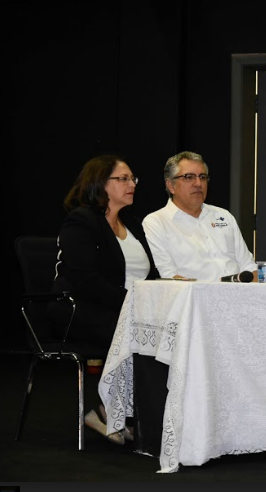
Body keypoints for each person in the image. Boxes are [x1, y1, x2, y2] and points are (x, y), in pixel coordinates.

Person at [51, 154, 160, 445]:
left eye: (132, 179)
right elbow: (84, 280)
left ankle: (128, 413)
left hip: (125, 309)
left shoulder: (133, 225)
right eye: (122, 178)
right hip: (81, 310)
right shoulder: (82, 221)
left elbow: (151, 274)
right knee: (141, 332)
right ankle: (115, 410)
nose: (131, 184)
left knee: (170, 328)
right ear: (100, 183)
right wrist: (131, 304)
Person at [142, 151, 258, 281]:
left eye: (202, 177)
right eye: (189, 177)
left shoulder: (223, 216)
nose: (198, 183)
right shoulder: (156, 222)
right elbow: (168, 276)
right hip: (193, 298)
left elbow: (249, 267)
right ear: (171, 186)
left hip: (237, 296)